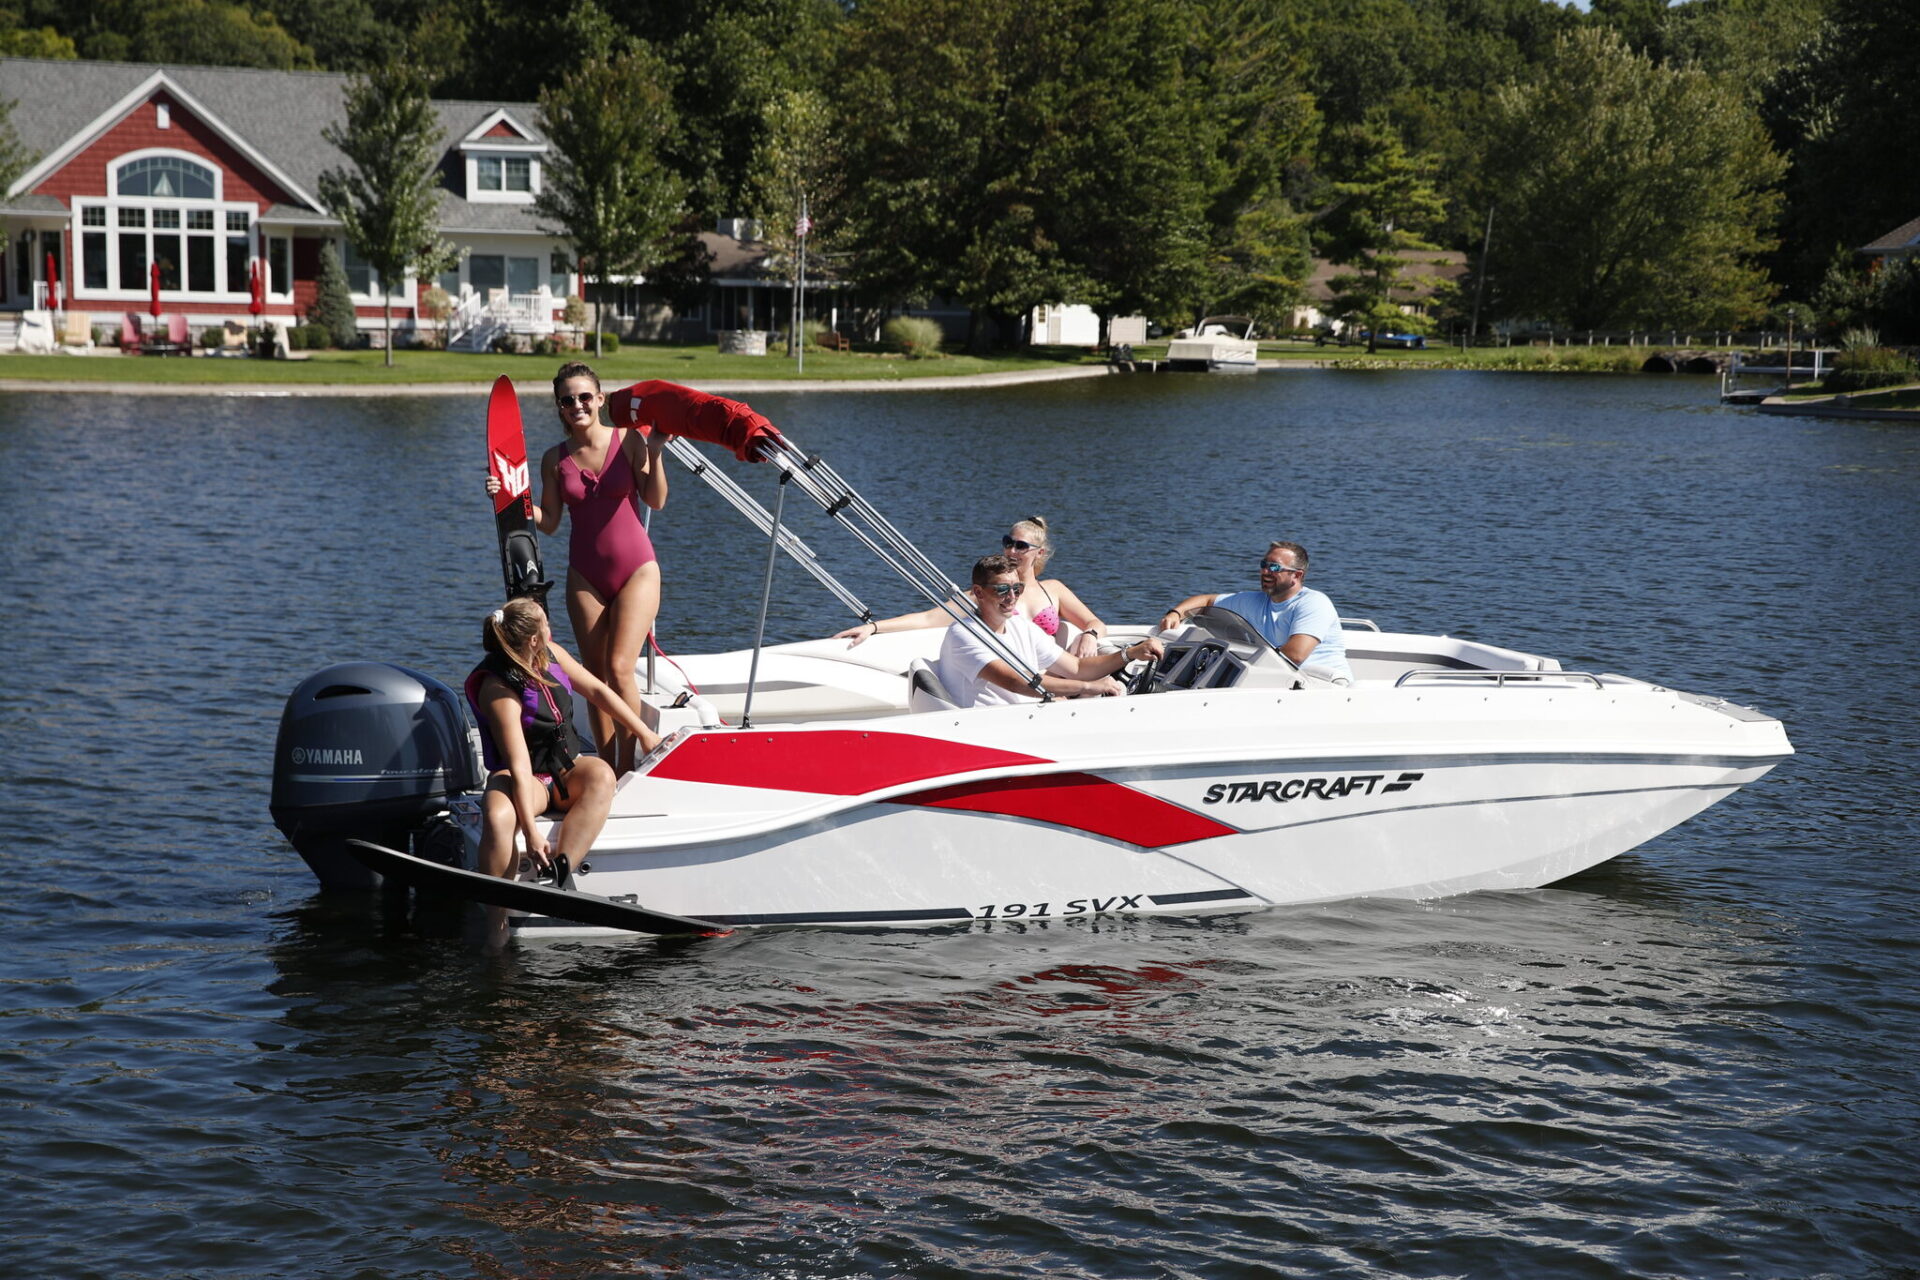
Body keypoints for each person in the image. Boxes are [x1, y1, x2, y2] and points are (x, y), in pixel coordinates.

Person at [486, 361, 667, 773]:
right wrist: (508, 494)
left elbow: (655, 500)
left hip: (637, 568)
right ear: (560, 407)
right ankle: (609, 768)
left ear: (600, 399)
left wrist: (655, 452)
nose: (577, 405)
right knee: (595, 676)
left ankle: (630, 763)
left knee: (621, 667)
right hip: (585, 575)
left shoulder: (630, 441)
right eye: (567, 400)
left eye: (585, 397)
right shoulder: (555, 459)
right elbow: (547, 523)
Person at [464, 598, 660, 883]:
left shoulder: (551, 654)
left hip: (566, 769)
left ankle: (560, 872)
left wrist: (644, 732)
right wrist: (532, 833)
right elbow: (519, 764)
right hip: (525, 779)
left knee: (602, 775)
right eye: (546, 623)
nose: (550, 628)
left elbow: (597, 690)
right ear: (533, 639)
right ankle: (497, 920)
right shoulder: (498, 688)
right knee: (498, 817)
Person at [836, 515, 1110, 658]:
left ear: (1039, 553)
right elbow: (929, 617)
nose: (1011, 550)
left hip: (1056, 672)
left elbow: (1094, 621)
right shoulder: (984, 592)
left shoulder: (1054, 589)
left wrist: (1090, 636)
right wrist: (873, 627)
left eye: (1021, 546)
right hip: (1017, 677)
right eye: (1008, 542)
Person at [934, 554, 1163, 707]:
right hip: (992, 731)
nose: (1012, 597)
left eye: (1017, 588)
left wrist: (1129, 654)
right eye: (1003, 589)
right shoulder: (964, 635)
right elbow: (1019, 683)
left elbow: (1076, 667)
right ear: (979, 592)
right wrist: (1090, 687)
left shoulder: (1020, 626)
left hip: (1025, 717)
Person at [1157, 540, 1352, 682]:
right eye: (1263, 565)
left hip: (1323, 685)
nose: (1265, 572)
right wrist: (1176, 613)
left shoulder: (1313, 603)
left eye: (1274, 567)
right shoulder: (1254, 600)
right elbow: (1207, 601)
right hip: (1283, 680)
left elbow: (1295, 655)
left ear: (1297, 575)